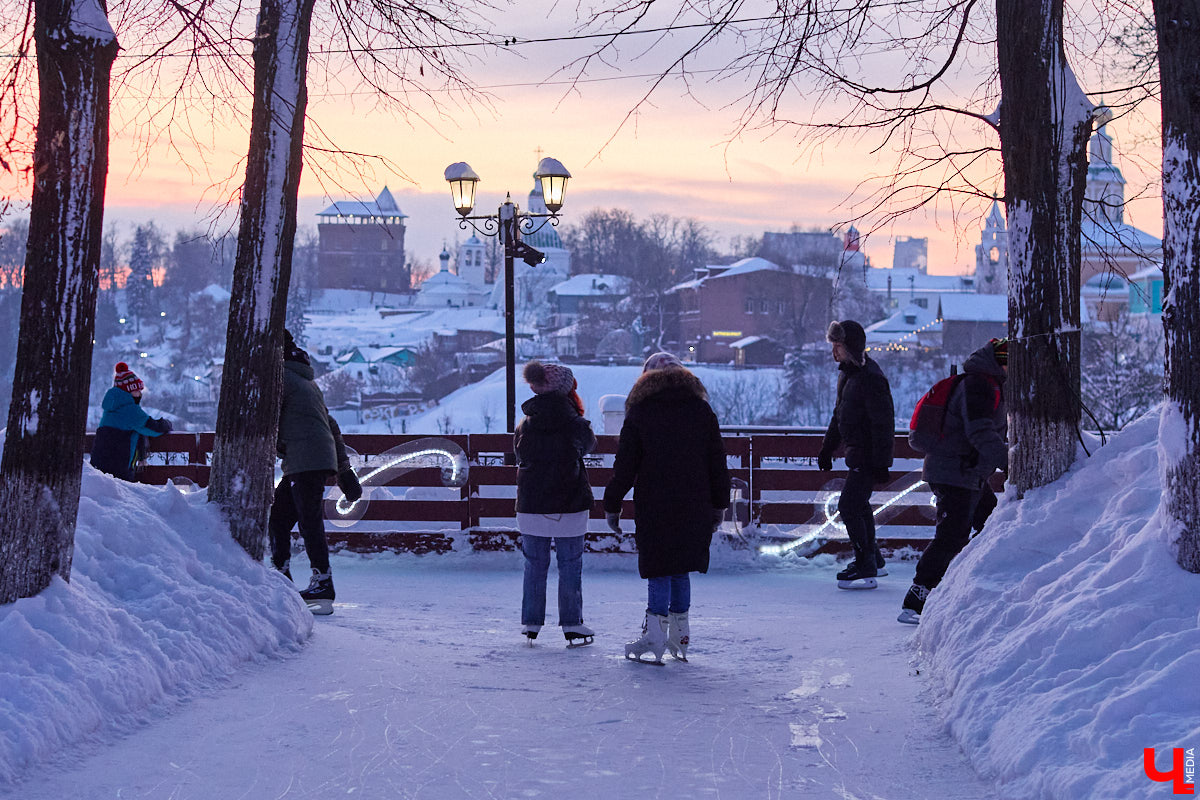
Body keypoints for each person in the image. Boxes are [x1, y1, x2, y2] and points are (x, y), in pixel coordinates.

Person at [604, 351, 730, 664]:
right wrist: (719, 505)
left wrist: (613, 504)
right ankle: (680, 637)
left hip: (655, 503)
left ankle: (655, 636)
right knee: (679, 570)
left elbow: (626, 466)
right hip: (694, 502)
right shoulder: (701, 410)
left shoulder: (641, 412)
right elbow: (717, 462)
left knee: (659, 568)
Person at [899, 338, 1008, 625]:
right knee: (952, 536)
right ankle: (916, 600)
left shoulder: (988, 384)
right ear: (1003, 363)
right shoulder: (979, 386)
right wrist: (1012, 462)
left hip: (967, 471)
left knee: (993, 524)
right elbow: (981, 432)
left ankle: (967, 586)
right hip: (955, 473)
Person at [269, 330, 362, 616]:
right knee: (280, 519)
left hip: (304, 459)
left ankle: (322, 583)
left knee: (308, 521)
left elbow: (267, 418)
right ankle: (280, 577)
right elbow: (331, 425)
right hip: (311, 458)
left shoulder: (281, 379)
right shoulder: (307, 383)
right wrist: (344, 472)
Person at [515, 361, 598, 646]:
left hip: (532, 504)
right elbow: (588, 446)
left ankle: (531, 622)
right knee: (570, 565)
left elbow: (519, 455)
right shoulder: (576, 424)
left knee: (534, 566)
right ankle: (572, 624)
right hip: (569, 503)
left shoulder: (526, 423)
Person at [817, 320, 895, 590]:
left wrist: (882, 463)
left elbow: (883, 424)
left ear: (849, 347)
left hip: (867, 457)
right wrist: (827, 448)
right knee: (859, 506)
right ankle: (873, 559)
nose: (833, 352)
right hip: (858, 455)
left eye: (836, 346)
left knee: (849, 507)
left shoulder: (870, 377)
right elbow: (839, 416)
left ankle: (865, 564)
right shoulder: (849, 375)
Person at [91, 362, 173, 481]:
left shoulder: (111, 408)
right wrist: (167, 424)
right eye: (138, 390)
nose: (140, 394)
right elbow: (154, 428)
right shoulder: (129, 410)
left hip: (100, 464)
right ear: (129, 390)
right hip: (118, 467)